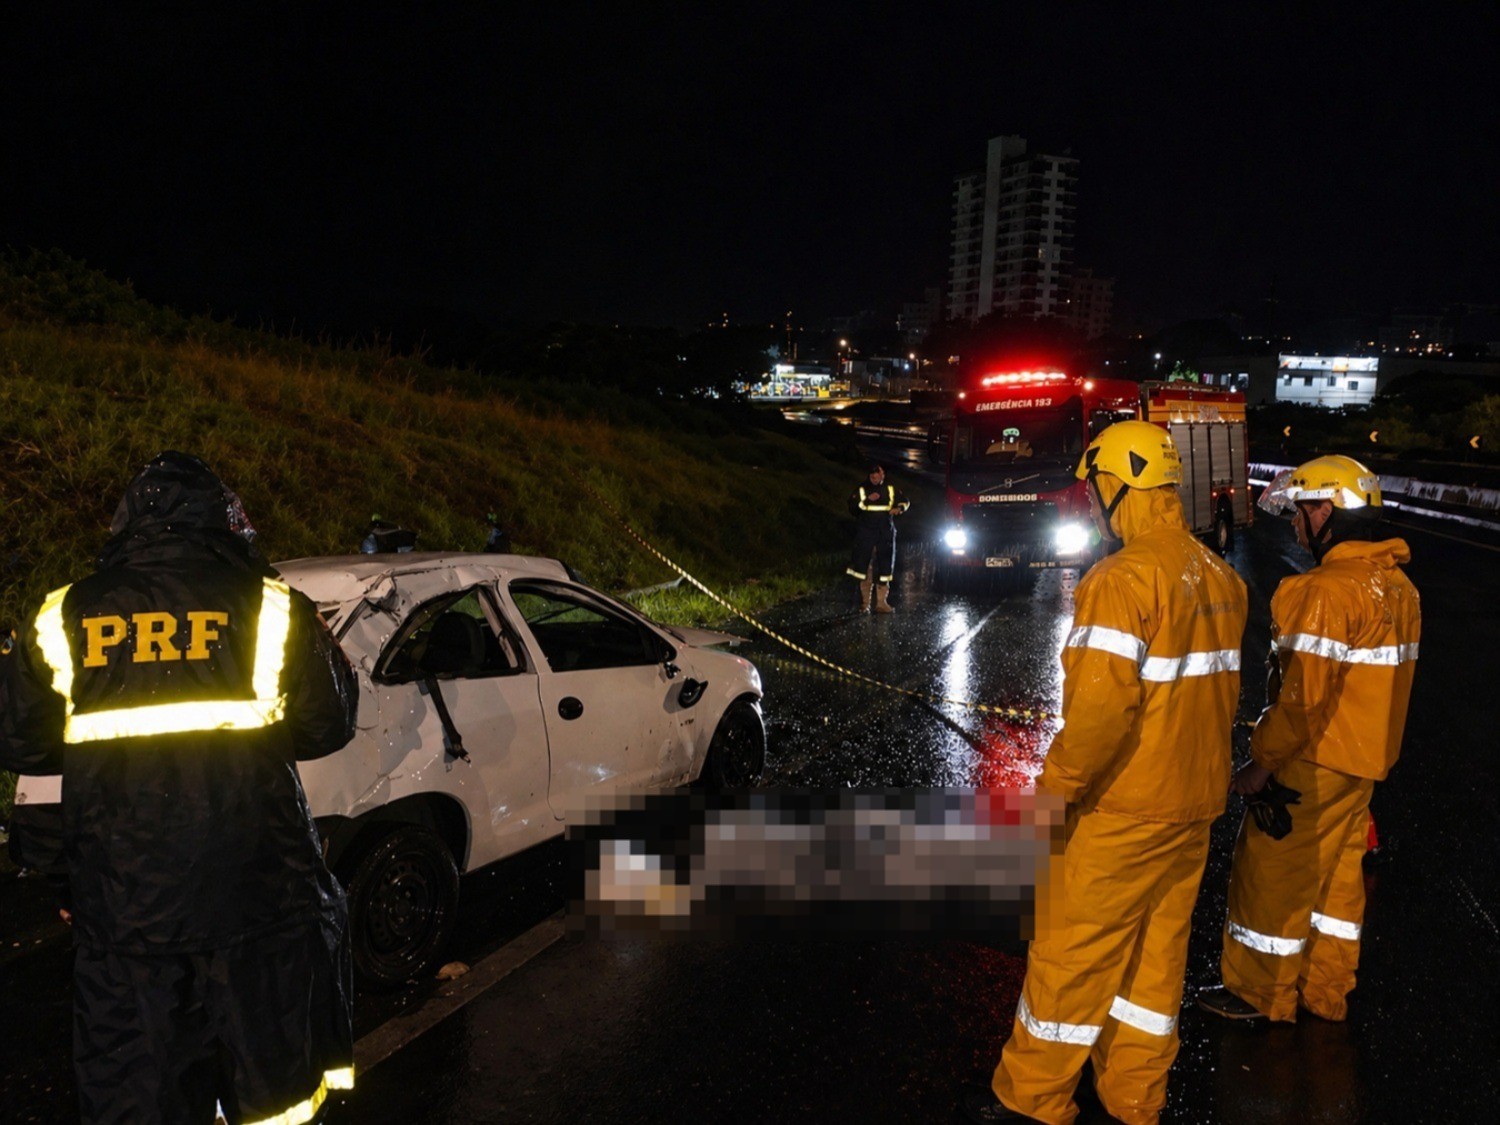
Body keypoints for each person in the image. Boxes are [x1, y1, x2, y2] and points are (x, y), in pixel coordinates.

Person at [0, 452, 359, 1125]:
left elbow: (19, 743)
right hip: (257, 902)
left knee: (141, 1094)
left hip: (125, 911)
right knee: (272, 1094)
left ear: (126, 523)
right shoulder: (272, 607)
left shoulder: (62, 615)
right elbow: (328, 724)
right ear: (224, 520)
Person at [965, 421, 1248, 1125]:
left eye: (1095, 491)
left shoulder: (1120, 581)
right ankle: (1134, 1098)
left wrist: (1051, 802)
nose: (1090, 505)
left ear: (1120, 486)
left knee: (1070, 955)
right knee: (1154, 964)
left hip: (1123, 809)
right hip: (1193, 808)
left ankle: (1033, 1100)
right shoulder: (1221, 577)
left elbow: (1098, 719)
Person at [1199, 455, 1419, 1024]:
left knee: (1271, 875)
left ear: (1326, 511)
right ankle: (1325, 991)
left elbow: (1301, 702)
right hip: (1363, 764)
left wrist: (1261, 765)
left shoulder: (1323, 592)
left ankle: (1258, 994)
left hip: (1312, 764)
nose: (1296, 526)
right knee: (1338, 883)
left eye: (1301, 512)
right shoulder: (1399, 589)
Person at [846, 464, 910, 614]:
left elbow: (905, 501)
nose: (874, 480)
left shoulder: (890, 489)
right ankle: (865, 604)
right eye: (872, 477)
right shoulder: (862, 489)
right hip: (866, 533)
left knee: (885, 568)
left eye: (877, 477)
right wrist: (866, 500)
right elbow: (852, 508)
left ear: (883, 476)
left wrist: (899, 509)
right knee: (864, 567)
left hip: (885, 533)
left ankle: (881, 603)